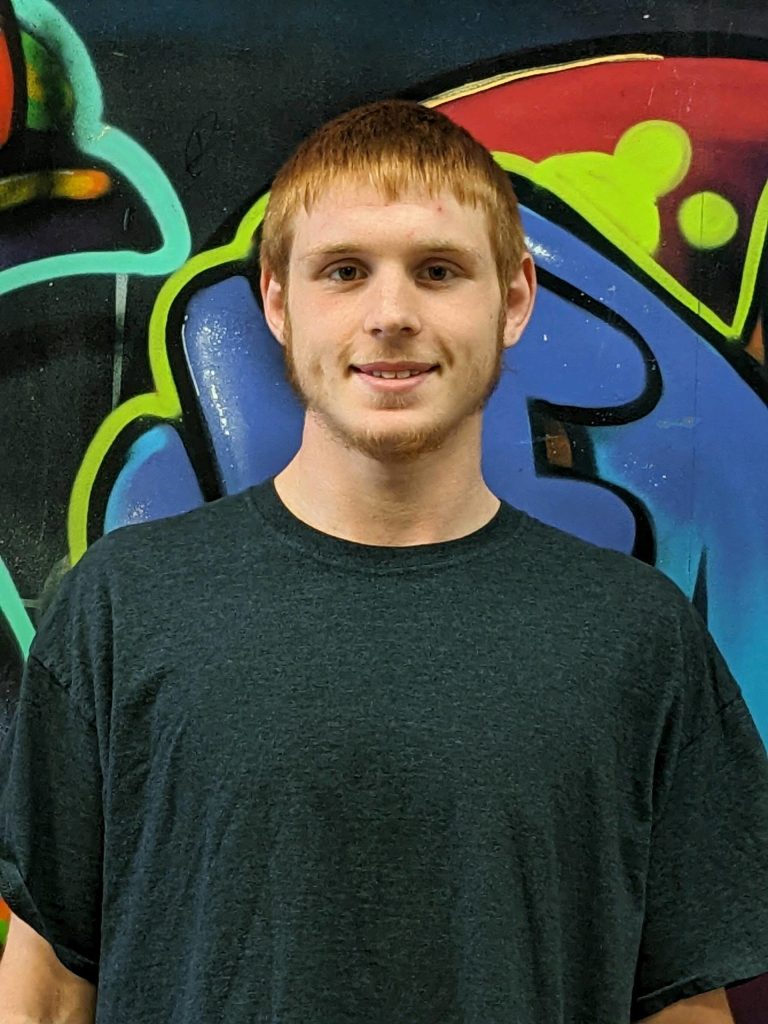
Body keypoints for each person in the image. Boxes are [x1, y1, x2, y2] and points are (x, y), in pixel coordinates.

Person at [0, 99, 767, 1024]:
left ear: (514, 299)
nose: (391, 314)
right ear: (277, 302)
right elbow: (45, 996)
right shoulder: (122, 608)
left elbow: (684, 1006)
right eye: (345, 272)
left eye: (438, 271)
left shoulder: (638, 637)